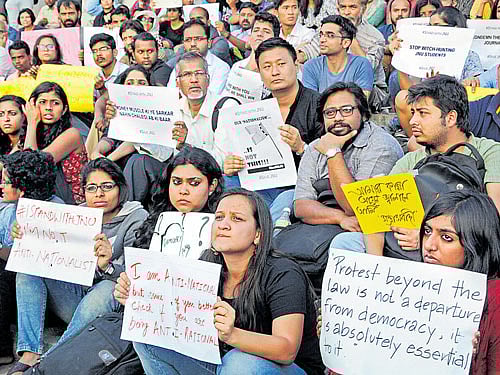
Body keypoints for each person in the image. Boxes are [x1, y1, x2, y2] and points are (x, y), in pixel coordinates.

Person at [115, 188, 325, 375]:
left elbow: (286, 349)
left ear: (258, 235)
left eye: (237, 219)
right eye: (219, 217)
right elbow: (175, 319)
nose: (223, 225)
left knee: (238, 362)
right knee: (147, 338)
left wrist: (232, 335)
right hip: (223, 361)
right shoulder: (207, 262)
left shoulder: (283, 272)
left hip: (284, 368)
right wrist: (139, 298)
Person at [8, 158, 148, 375]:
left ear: (121, 188)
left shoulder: (137, 218)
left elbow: (135, 279)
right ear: (83, 191)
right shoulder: (76, 216)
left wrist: (109, 266)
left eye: (107, 186)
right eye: (91, 188)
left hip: (107, 310)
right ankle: (30, 353)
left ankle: (48, 362)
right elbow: (46, 254)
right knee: (28, 268)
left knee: (107, 287)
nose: (99, 194)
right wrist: (25, 234)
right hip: (75, 297)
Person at [362, 75, 500, 256]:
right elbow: (380, 220)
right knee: (345, 241)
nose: (412, 122)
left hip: (463, 251)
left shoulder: (489, 152)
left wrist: (426, 236)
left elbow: (494, 214)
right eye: (413, 113)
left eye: (423, 113)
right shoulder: (410, 160)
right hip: (404, 251)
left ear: (450, 118)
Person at [295, 82, 402, 256]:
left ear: (363, 113)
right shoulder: (317, 147)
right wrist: (340, 218)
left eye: (346, 110)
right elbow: (301, 206)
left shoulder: (381, 146)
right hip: (328, 226)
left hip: (372, 233)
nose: (337, 118)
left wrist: (333, 153)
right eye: (330, 113)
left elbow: (356, 208)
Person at [224, 38, 323, 222]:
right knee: (226, 180)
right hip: (263, 184)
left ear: (296, 65)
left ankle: (264, 241)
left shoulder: (319, 105)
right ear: (260, 74)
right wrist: (233, 164)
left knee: (282, 201)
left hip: (301, 188)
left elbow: (328, 162)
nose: (275, 72)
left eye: (281, 64)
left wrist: (301, 147)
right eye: (267, 67)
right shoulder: (256, 110)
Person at [0, 150, 60, 369]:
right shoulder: (7, 211)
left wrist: (21, 243)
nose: (1, 186)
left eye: (6, 181)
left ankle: (29, 351)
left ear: (23, 188)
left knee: (25, 270)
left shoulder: (57, 210)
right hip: (19, 297)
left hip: (56, 294)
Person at [393, 6, 483, 136]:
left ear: (455, 28)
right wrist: (400, 60)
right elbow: (411, 91)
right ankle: (418, 143)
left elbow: (477, 89)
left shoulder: (470, 56)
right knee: (402, 97)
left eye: (437, 25)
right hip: (427, 106)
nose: (432, 30)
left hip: (456, 110)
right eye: (430, 26)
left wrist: (472, 81)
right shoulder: (424, 55)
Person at [131, 146, 224, 249]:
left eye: (194, 183)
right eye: (177, 182)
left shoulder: (223, 227)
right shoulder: (155, 221)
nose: (183, 191)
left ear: (212, 185)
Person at [23, 82, 88, 204]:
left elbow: (34, 165)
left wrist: (32, 122)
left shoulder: (72, 134)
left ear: (64, 110)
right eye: (42, 102)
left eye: (55, 103)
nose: (49, 107)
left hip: (71, 204)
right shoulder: (28, 136)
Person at [302, 15, 373, 94]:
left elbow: (361, 102)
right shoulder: (311, 66)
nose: (322, 40)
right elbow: (311, 103)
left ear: (345, 43)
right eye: (321, 35)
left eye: (330, 36)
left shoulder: (361, 64)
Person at [336, 0, 386, 110]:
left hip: (371, 90)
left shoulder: (375, 37)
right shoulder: (329, 30)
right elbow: (312, 50)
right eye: (343, 7)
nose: (346, 12)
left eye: (352, 7)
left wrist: (350, 36)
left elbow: (368, 68)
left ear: (363, 8)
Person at [223, 11, 279, 98]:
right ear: (250, 37)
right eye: (256, 30)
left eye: (266, 31)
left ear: (275, 39)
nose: (259, 34)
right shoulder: (237, 67)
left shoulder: (279, 70)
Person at [167, 19, 230, 95]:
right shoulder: (179, 66)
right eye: (188, 40)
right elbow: (171, 94)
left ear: (209, 42)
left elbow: (212, 96)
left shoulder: (221, 67)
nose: (193, 44)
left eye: (198, 39)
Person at [90, 33, 129, 97]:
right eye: (94, 51)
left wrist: (102, 89)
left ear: (115, 52)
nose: (98, 54)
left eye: (103, 49)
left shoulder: (126, 73)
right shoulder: (96, 75)